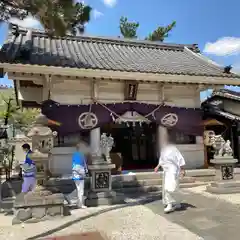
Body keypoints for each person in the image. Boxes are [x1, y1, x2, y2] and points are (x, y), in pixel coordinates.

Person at [154, 130, 186, 213]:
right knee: (167, 188)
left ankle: (170, 204)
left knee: (170, 187)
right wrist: (157, 166)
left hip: (173, 170)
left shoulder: (173, 148)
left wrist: (182, 169)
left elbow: (180, 158)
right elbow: (162, 159)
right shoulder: (163, 149)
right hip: (166, 170)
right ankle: (174, 203)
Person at [72, 143, 88, 209]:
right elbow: (81, 166)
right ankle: (80, 204)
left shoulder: (74, 154)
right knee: (81, 190)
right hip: (79, 173)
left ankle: (79, 203)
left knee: (78, 189)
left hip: (75, 173)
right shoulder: (81, 155)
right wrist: (83, 173)